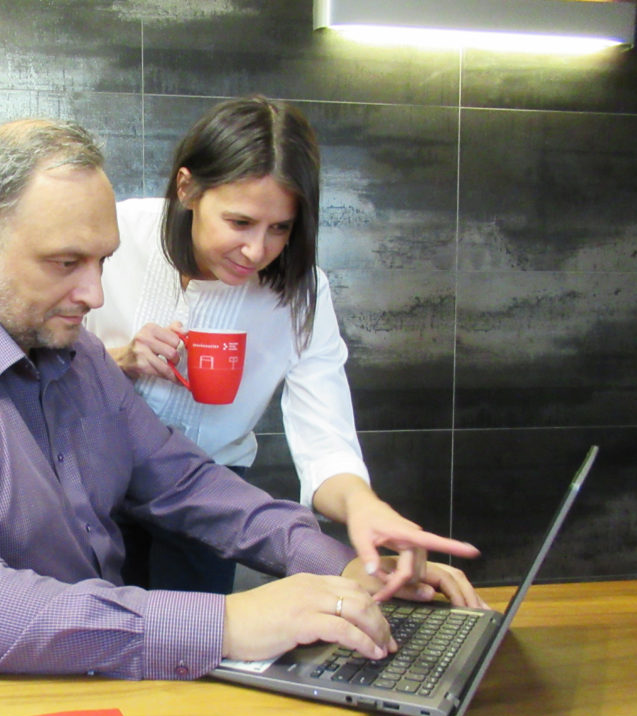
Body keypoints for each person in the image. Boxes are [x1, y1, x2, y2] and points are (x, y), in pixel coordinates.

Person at [0, 117, 486, 682]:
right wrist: (225, 623)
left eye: (102, 261)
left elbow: (186, 483)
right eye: (65, 262)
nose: (95, 295)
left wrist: (347, 567)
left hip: (68, 680)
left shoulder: (75, 357)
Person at [87, 95, 468, 595]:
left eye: (280, 228)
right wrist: (117, 360)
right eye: (240, 222)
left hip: (213, 497)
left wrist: (363, 506)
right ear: (187, 189)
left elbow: (324, 438)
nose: (256, 250)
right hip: (94, 476)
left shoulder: (302, 292)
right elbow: (34, 358)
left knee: (199, 631)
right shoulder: (116, 235)